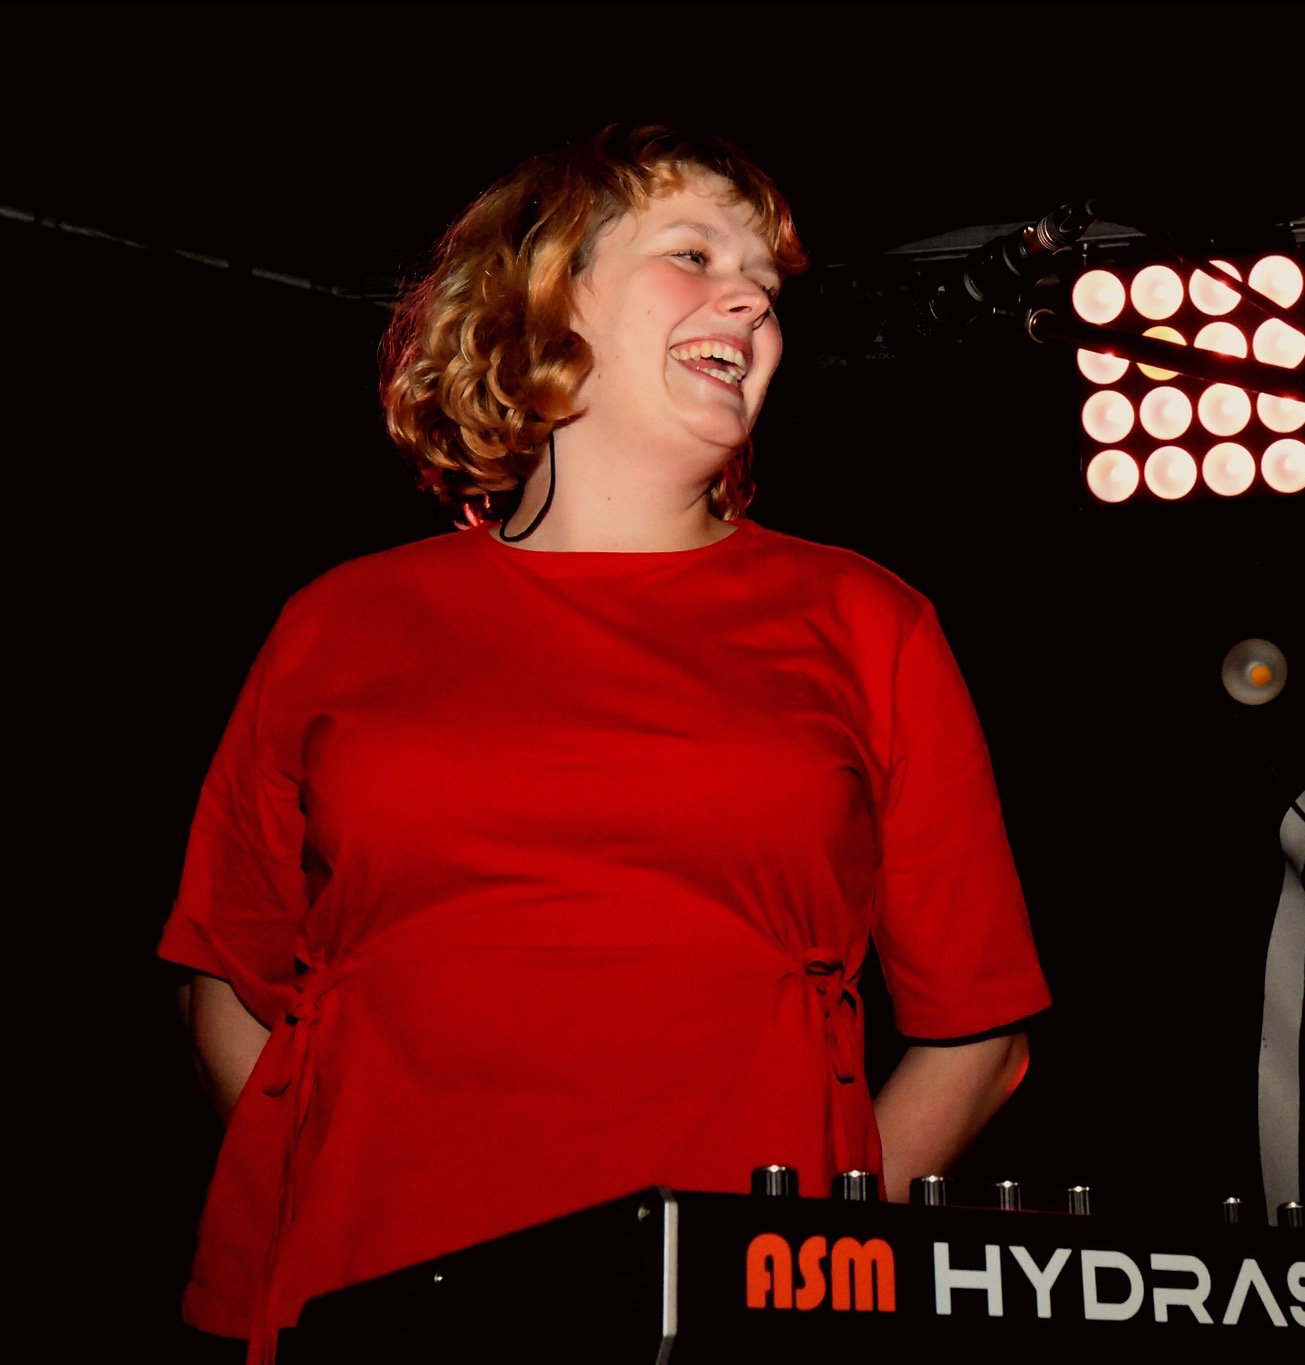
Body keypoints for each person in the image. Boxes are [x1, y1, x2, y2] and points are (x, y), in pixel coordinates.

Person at [161, 124, 1050, 1357]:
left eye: (764, 282)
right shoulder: (340, 622)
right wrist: (324, 1201)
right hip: (369, 1294)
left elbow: (977, 1033)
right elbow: (227, 971)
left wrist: (802, 1261)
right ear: (547, 298)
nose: (751, 297)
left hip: (739, 1320)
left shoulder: (865, 621)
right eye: (693, 254)